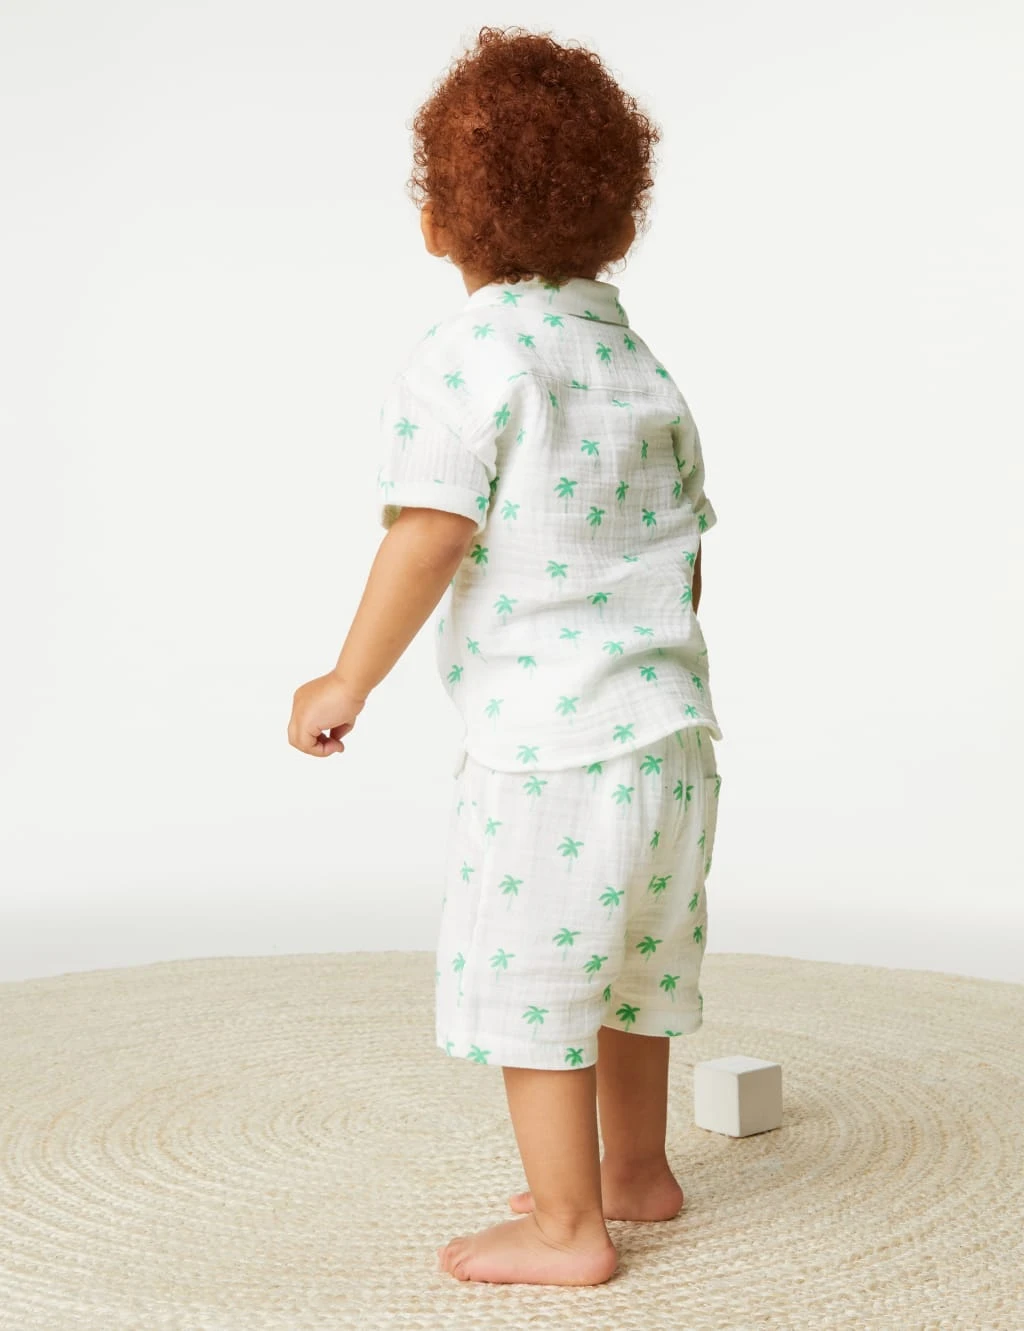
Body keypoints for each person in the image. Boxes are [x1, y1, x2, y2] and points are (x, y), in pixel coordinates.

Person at [288, 25, 723, 1287]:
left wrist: (347, 678)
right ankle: (636, 1170)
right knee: (632, 967)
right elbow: (688, 556)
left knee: (538, 982)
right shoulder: (641, 367)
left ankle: (567, 1225)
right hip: (675, 740)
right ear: (620, 221)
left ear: (437, 223)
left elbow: (430, 531)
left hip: (551, 751)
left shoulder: (469, 355)